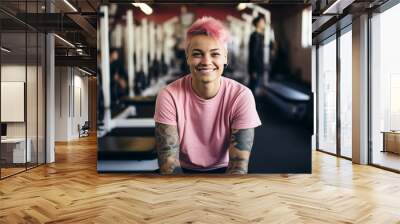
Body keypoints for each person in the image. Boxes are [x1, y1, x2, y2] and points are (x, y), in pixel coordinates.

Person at [154, 17, 261, 174]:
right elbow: (169, 165)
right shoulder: (168, 96)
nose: (206, 61)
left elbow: (238, 166)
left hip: (224, 170)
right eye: (197, 54)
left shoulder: (242, 96)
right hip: (182, 171)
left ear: (225, 57)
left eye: (215, 54)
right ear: (187, 57)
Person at [248, 15, 266, 95]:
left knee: (255, 86)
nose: (264, 23)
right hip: (255, 67)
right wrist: (254, 70)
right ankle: (249, 106)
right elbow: (253, 54)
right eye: (262, 22)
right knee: (253, 87)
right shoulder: (255, 36)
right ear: (258, 24)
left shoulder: (260, 35)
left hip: (259, 66)